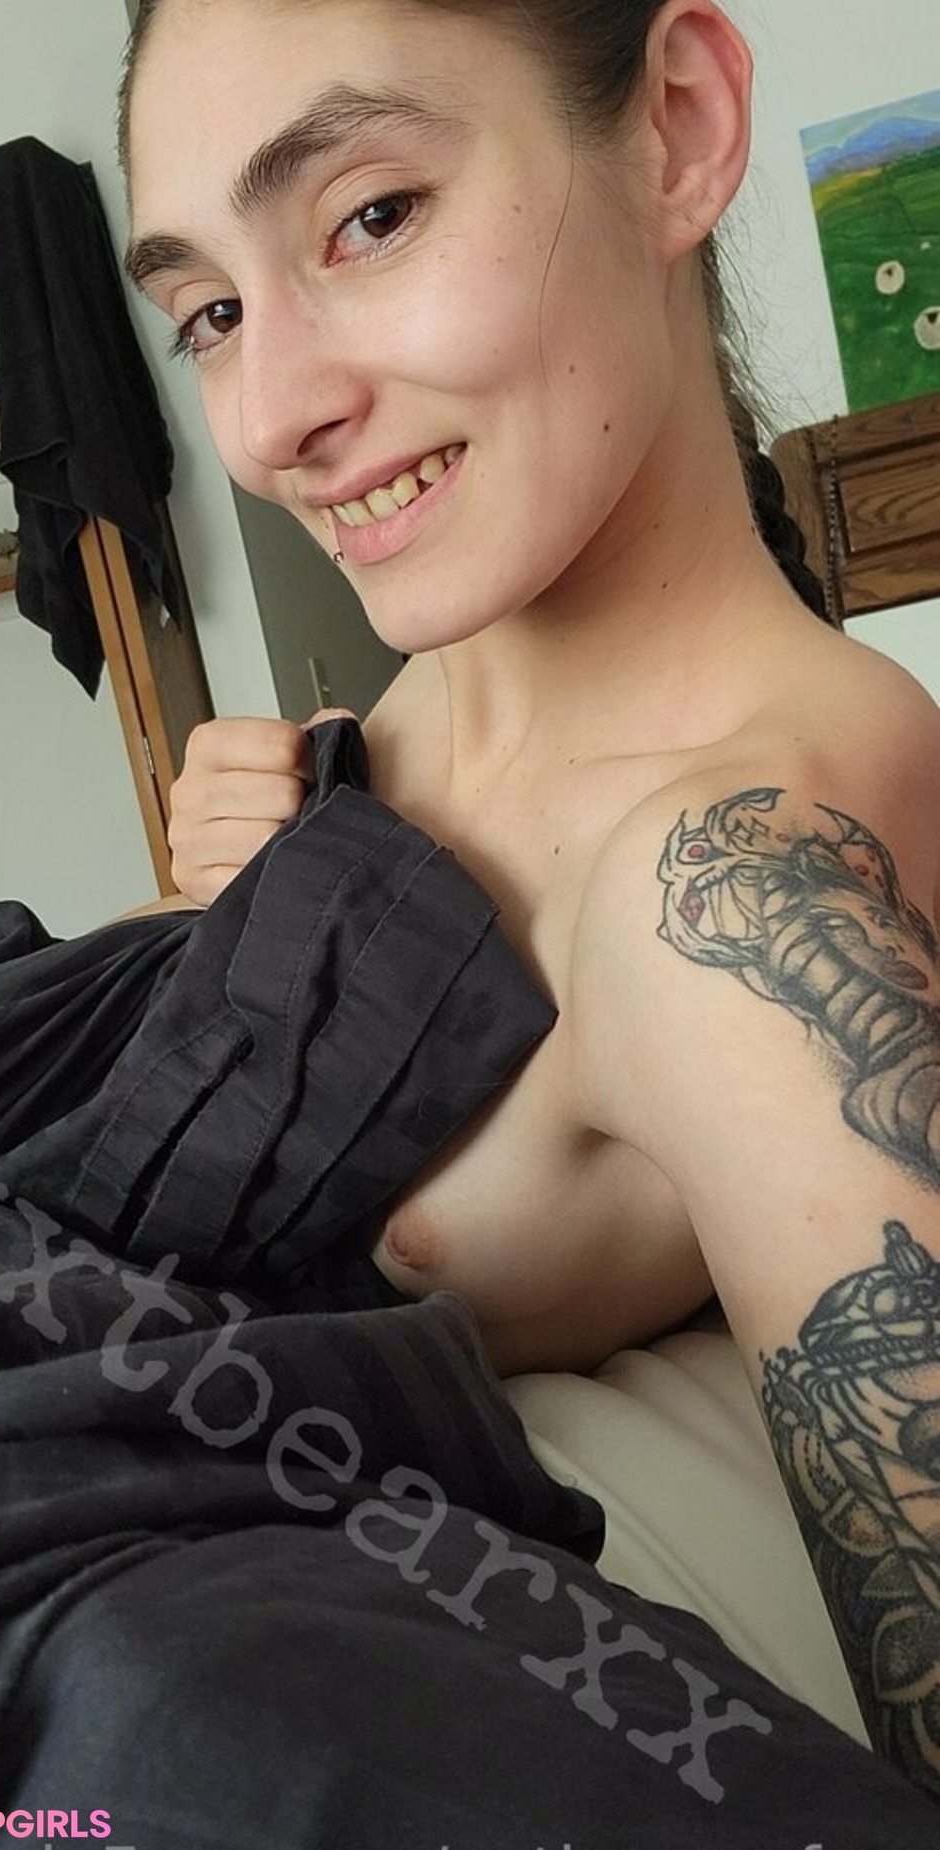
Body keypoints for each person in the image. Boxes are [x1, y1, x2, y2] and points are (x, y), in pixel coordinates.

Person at [117, 0, 940, 1796]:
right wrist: (227, 914)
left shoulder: (744, 875)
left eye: (372, 215)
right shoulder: (357, 741)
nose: (269, 421)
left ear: (678, 127)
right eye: (211, 312)